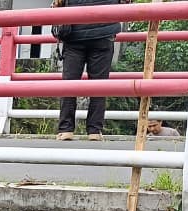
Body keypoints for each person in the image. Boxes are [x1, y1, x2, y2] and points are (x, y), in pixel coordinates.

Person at [53, 0, 131, 141]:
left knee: (69, 84)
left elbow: (57, 4)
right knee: (99, 85)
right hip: (104, 33)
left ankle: (66, 129)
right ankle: (94, 130)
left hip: (74, 33)